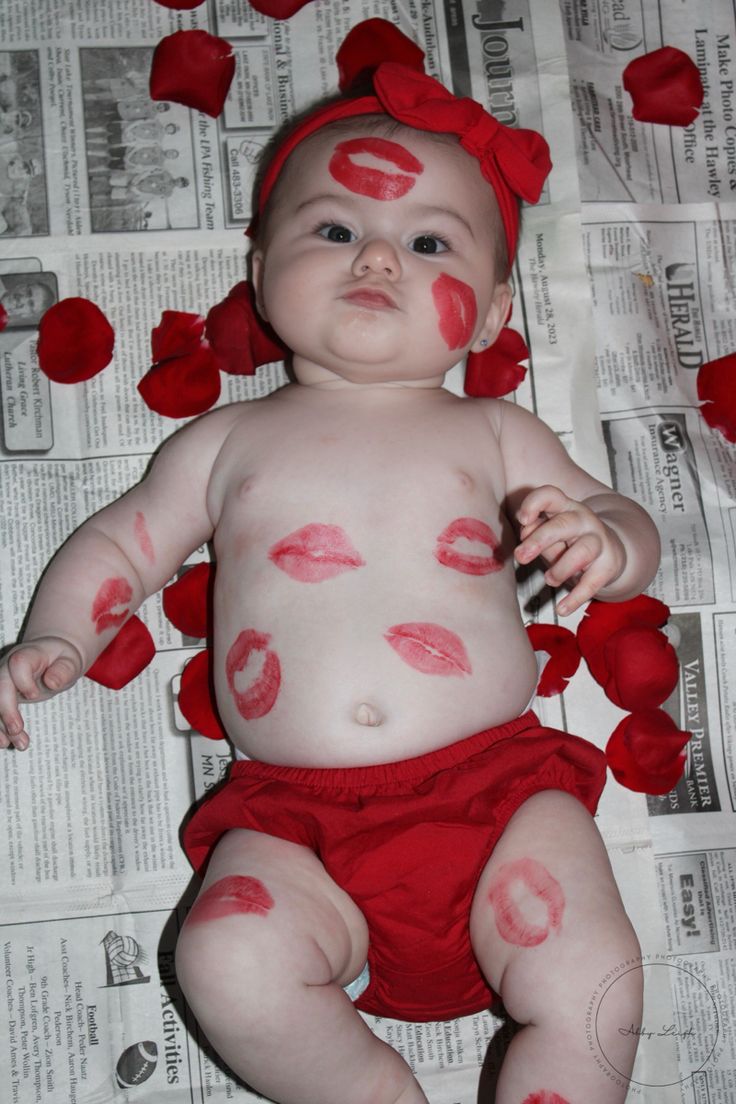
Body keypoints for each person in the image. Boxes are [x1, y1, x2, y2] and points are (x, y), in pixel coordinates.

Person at [0, 28, 660, 1104]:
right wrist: (59, 635)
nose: (376, 259)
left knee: (598, 975)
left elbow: (615, 518)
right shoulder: (223, 445)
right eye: (337, 226)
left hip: (497, 796)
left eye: (432, 245)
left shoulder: (491, 430)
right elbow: (125, 540)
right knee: (223, 960)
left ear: (493, 314)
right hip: (292, 827)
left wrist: (609, 539)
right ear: (261, 273)